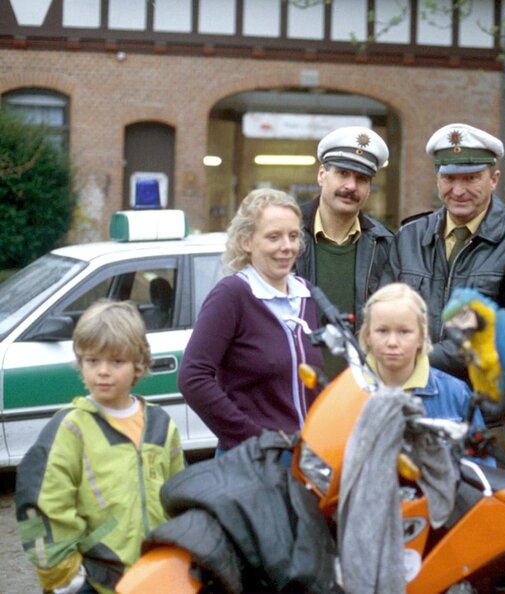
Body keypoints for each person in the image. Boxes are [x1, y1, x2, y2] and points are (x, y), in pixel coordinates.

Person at [16, 300, 184, 594]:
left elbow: (179, 496)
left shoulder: (160, 424)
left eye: (116, 361)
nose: (103, 371)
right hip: (93, 579)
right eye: (92, 361)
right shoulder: (70, 429)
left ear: (138, 364)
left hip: (153, 574)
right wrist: (66, 576)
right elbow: (41, 506)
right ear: (80, 363)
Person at [382, 123, 505, 379]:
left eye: (471, 178)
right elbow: (382, 314)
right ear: (438, 178)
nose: (458, 191)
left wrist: (418, 360)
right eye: (449, 178)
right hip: (409, 393)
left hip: (481, 403)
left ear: (494, 179)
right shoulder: (409, 237)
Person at [179, 189, 323, 452]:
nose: (287, 247)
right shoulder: (232, 295)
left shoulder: (308, 294)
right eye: (273, 237)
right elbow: (192, 377)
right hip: (254, 464)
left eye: (293, 236)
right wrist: (253, 438)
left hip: (308, 459)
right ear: (246, 241)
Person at [296, 126, 393, 380]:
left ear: (370, 188)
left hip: (359, 393)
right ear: (321, 175)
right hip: (292, 392)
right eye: (342, 174)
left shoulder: (385, 245)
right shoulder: (286, 235)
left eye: (362, 179)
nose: (351, 186)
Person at [359, 282, 477, 423]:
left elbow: (477, 443)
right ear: (367, 336)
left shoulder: (457, 393)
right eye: (382, 331)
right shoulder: (347, 394)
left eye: (404, 332)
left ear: (421, 337)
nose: (392, 342)